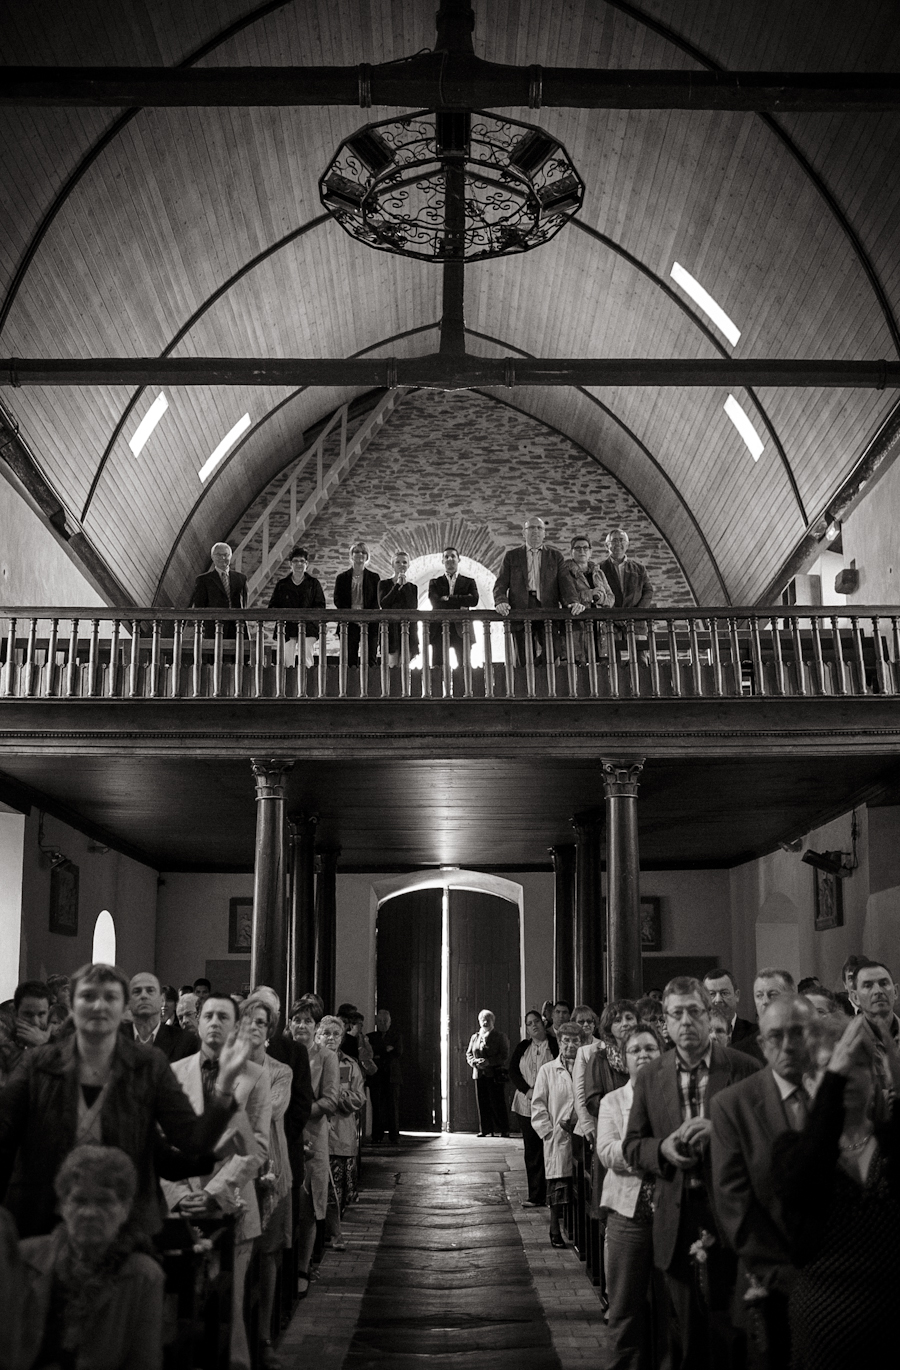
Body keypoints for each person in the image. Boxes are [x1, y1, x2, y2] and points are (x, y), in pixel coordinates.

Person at [0, 962, 247, 1240]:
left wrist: (225, 1085)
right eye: (88, 996)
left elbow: (189, 1139)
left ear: (124, 1008)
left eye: (110, 997)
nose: (99, 1006)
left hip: (126, 1226)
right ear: (72, 1005)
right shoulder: (39, 1064)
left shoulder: (148, 1065)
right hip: (45, 1221)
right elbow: (4, 1136)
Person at [623, 976, 759, 1370]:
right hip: (678, 1214)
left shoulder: (744, 1068)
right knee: (686, 1337)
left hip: (731, 1214)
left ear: (708, 1013)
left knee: (732, 1332)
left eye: (695, 1012)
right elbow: (633, 1145)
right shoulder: (652, 1076)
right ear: (665, 1021)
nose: (686, 1021)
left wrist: (722, 1133)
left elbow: (765, 1139)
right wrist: (661, 1149)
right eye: (676, 1014)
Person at [771, 1013, 900, 1368]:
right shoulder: (791, 1148)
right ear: (811, 1081)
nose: (848, 1075)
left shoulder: (890, 1142)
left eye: (858, 1065)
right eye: (833, 1066)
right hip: (823, 1328)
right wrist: (833, 1085)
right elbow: (805, 1179)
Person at [161, 992, 271, 1370]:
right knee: (174, 1306)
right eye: (207, 1015)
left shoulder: (254, 1075)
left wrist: (213, 1193)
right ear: (197, 1022)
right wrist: (178, 1195)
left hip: (232, 1201)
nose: (213, 1023)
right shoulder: (174, 1071)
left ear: (236, 1026)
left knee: (229, 1306)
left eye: (223, 1017)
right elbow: (161, 1142)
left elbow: (257, 1146)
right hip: (181, 1201)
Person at [711, 993, 819, 1369]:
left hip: (841, 1285)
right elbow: (734, 1206)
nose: (788, 1045)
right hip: (770, 1285)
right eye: (776, 1035)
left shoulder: (843, 1094)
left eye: (798, 1032)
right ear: (761, 1042)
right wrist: (791, 1277)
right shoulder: (733, 1104)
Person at [18, 1145, 164, 1370]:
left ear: (125, 1209)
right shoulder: (23, 1258)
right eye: (79, 1200)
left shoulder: (144, 1277)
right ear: (62, 1206)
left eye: (104, 1201)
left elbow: (144, 1363)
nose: (90, 1213)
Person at [597, 1023, 667, 1370]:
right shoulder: (612, 1101)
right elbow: (607, 1152)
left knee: (670, 1310)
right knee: (625, 1309)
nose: (643, 1055)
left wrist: (646, 1150)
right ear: (623, 1059)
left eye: (650, 1049)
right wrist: (651, 1153)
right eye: (635, 1050)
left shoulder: (673, 1098)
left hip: (669, 1213)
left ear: (662, 1054)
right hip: (628, 1214)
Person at [242, 994, 293, 1370]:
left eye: (261, 1023)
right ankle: (237, 1334)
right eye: (248, 1021)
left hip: (272, 1163)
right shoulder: (226, 1065)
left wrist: (232, 1103)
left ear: (269, 1030)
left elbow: (272, 1109)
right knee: (239, 1253)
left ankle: (263, 1336)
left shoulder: (280, 1071)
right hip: (236, 1164)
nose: (255, 1028)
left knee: (268, 1252)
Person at [290, 997, 340, 1290]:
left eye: (307, 1021)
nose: (301, 1026)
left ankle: (302, 1266)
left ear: (315, 1026)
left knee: (308, 1203)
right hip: (283, 1134)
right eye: (297, 1020)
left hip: (311, 1133)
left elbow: (331, 1100)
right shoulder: (281, 1052)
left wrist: (297, 1111)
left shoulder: (325, 1057)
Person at [531, 1020, 583, 1248]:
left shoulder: (586, 1068)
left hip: (581, 1135)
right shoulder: (548, 1070)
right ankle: (554, 1229)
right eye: (566, 1041)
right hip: (558, 1137)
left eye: (575, 1041)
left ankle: (578, 1233)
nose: (571, 1045)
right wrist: (548, 1132)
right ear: (559, 1043)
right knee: (559, 1187)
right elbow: (538, 1105)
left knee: (580, 1187)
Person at [493, 515, 566, 665]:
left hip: (547, 607)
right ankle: (527, 676)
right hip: (521, 608)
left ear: (544, 533)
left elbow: (565, 583)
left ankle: (537, 667)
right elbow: (500, 584)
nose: (535, 531)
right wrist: (501, 601)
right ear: (524, 532)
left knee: (554, 650)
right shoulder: (512, 556)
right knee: (523, 656)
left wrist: (572, 602)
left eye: (539, 528)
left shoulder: (555, 556)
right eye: (531, 527)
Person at [321, 1015, 366, 1248]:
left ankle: (334, 1233)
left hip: (340, 1135)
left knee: (337, 1192)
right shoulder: (311, 1062)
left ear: (341, 1038)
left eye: (335, 1034)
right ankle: (326, 1235)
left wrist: (336, 1094)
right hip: (316, 1136)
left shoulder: (350, 1065)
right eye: (326, 1033)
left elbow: (359, 1098)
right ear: (318, 1036)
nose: (330, 1038)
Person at [509, 1009, 558, 1207]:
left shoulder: (554, 1044)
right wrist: (526, 1090)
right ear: (527, 1029)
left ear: (543, 1023)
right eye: (529, 1024)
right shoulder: (523, 1047)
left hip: (551, 1104)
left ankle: (553, 1196)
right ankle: (536, 1195)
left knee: (551, 1149)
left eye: (536, 1021)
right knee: (532, 1151)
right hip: (526, 1105)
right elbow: (513, 1071)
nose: (534, 1026)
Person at [573, 999, 636, 1146]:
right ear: (609, 1026)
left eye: (629, 1018)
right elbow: (592, 1101)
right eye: (618, 1020)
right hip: (611, 1129)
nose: (625, 1024)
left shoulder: (644, 1053)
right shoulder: (599, 1058)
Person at [267, 545, 326, 669]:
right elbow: (273, 606)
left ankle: (307, 680)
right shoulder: (282, 585)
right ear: (290, 564)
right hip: (286, 627)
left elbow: (320, 605)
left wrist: (307, 617)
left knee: (307, 659)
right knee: (287, 661)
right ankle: (288, 681)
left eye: (302, 561)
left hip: (308, 626)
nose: (299, 564)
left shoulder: (313, 584)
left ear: (306, 564)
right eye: (295, 561)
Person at [560, 534, 615, 664]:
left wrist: (601, 599)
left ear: (590, 552)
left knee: (601, 664)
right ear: (571, 552)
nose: (582, 551)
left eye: (585, 548)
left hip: (600, 626)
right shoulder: (565, 572)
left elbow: (611, 597)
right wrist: (589, 595)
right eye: (578, 548)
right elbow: (565, 597)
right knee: (580, 663)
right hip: (577, 625)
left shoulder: (598, 572)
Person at [121, 971, 198, 1061]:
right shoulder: (114, 1037)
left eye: (150, 991)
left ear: (162, 999)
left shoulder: (184, 1041)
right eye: (137, 991)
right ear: (128, 1000)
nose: (144, 996)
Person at [428, 546, 479, 667]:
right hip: (439, 628)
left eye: (453, 556)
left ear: (458, 559)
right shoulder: (434, 582)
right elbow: (435, 603)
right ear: (442, 561)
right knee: (438, 667)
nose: (450, 559)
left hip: (462, 628)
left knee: (464, 666)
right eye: (446, 557)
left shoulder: (469, 582)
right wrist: (462, 601)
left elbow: (474, 600)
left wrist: (448, 598)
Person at [333, 540, 380, 667]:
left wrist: (365, 617)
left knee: (370, 659)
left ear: (367, 556)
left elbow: (376, 601)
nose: (360, 554)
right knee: (349, 659)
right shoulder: (342, 578)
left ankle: (369, 680)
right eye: (357, 551)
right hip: (348, 622)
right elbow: (338, 599)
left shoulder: (374, 578)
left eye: (363, 552)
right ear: (351, 555)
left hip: (369, 622)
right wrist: (352, 616)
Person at [188, 541, 248, 638]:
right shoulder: (203, 580)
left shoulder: (241, 578)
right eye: (218, 555)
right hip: (214, 628)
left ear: (230, 556)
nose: (222, 558)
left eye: (225, 555)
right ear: (212, 557)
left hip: (237, 628)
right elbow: (199, 606)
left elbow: (244, 604)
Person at [466, 1009, 510, 1138]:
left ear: (493, 1021)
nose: (485, 1022)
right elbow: (469, 1054)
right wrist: (475, 1062)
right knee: (482, 1102)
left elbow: (504, 1055)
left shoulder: (500, 1036)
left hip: (494, 1074)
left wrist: (489, 1062)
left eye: (488, 1020)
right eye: (482, 1020)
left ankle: (504, 1129)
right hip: (479, 1074)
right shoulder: (475, 1037)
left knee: (498, 1102)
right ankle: (485, 1129)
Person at [702, 966, 761, 1057]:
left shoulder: (755, 1034)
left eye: (724, 993)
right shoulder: (694, 1034)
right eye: (712, 994)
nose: (718, 1000)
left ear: (737, 995)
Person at [0, 981, 51, 1085]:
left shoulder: (63, 1044)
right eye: (28, 1014)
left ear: (49, 1012)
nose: (35, 1022)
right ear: (15, 1013)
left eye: (41, 1014)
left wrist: (44, 1047)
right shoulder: (4, 1048)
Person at [367, 1008, 404, 1145]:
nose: (383, 1023)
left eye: (385, 1021)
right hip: (376, 1077)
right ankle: (377, 1135)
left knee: (392, 1107)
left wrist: (379, 1052)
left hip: (392, 1077)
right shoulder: (370, 1037)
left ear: (390, 1022)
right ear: (376, 1022)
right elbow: (370, 1053)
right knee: (377, 1107)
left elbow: (397, 1052)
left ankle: (394, 1136)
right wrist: (385, 1049)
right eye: (380, 1021)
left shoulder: (396, 1036)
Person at [378, 550, 419, 667]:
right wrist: (397, 585)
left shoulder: (412, 587)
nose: (401, 565)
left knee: (405, 665)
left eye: (404, 562)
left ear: (408, 565)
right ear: (392, 564)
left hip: (408, 630)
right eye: (398, 562)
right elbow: (384, 603)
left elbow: (413, 606)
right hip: (390, 630)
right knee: (392, 665)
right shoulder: (384, 584)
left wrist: (404, 586)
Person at [597, 528, 653, 611]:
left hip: (635, 617)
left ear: (627, 545)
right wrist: (611, 613)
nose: (618, 543)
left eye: (622, 540)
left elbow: (648, 591)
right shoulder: (599, 569)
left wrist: (638, 612)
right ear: (606, 545)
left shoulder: (639, 569)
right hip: (609, 616)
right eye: (614, 540)